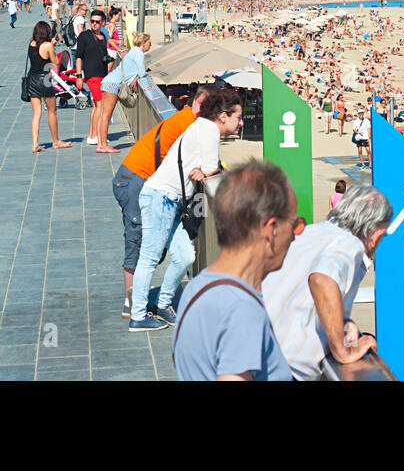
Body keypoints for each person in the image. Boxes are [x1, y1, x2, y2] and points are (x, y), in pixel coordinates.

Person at [171, 161, 298, 381]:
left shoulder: (197, 287)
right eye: (294, 224)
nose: (296, 235)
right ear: (271, 229)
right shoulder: (241, 308)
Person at [128, 87, 241, 331]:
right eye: (238, 117)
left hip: (169, 200)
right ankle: (138, 315)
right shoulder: (209, 129)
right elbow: (212, 169)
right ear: (224, 116)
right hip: (161, 198)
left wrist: (206, 171)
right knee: (148, 258)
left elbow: (205, 169)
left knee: (185, 257)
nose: (240, 123)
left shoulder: (201, 126)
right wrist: (210, 172)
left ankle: (162, 304)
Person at [262, 184, 393, 380]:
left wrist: (342, 324)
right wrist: (342, 350)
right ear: (377, 234)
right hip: (280, 369)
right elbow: (322, 280)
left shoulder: (310, 233)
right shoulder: (350, 245)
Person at [112, 86, 211, 318]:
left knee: (150, 245)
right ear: (198, 104)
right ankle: (132, 306)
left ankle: (141, 300)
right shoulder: (190, 125)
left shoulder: (185, 117)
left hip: (138, 180)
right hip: (136, 180)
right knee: (137, 244)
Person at [95, 32, 152, 155]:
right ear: (143, 43)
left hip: (108, 81)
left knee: (103, 115)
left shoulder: (132, 51)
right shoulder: (138, 53)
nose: (150, 45)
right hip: (113, 84)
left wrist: (135, 75)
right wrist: (139, 76)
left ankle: (100, 144)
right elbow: (143, 73)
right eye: (149, 43)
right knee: (106, 116)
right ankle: (103, 145)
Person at [23, 21, 68, 152]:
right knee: (52, 111)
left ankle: (35, 144)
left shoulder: (31, 43)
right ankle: (56, 141)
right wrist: (53, 46)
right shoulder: (47, 45)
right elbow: (55, 62)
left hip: (32, 79)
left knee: (37, 113)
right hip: (45, 80)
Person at [74, 9, 112, 150]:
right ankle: (95, 136)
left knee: (97, 106)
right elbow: (79, 57)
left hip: (103, 74)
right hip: (92, 76)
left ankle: (92, 134)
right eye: (92, 21)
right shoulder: (84, 36)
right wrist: (79, 76)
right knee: (100, 104)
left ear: (103, 23)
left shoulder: (103, 36)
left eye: (97, 21)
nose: (94, 24)